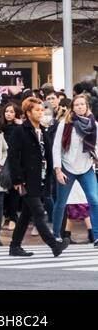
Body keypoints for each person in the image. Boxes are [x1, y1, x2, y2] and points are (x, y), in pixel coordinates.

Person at [8, 97, 66, 258]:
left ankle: (14, 246)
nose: (41, 113)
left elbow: (47, 154)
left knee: (26, 214)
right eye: (37, 110)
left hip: (40, 178)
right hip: (26, 179)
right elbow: (13, 156)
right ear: (28, 112)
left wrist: (52, 172)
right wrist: (18, 179)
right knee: (39, 213)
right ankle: (54, 245)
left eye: (42, 110)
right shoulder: (20, 131)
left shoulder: (43, 130)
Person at [50, 91, 98, 243]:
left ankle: (96, 236)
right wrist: (58, 169)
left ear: (87, 106)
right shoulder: (65, 124)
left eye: (82, 104)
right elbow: (56, 147)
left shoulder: (93, 124)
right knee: (61, 202)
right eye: (76, 105)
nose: (80, 107)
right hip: (67, 167)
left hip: (86, 167)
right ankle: (56, 235)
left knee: (94, 200)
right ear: (72, 107)